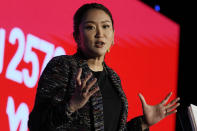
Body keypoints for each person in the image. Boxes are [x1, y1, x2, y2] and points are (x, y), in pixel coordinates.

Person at [28, 3, 180, 131]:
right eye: (90, 27)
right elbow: (36, 124)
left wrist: (144, 123)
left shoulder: (113, 78)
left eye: (106, 27)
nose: (100, 34)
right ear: (77, 37)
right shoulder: (63, 66)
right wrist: (71, 105)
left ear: (113, 36)